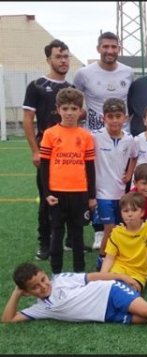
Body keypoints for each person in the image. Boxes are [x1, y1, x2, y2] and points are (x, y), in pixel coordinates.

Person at [2, 262, 147, 332]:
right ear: (28, 292)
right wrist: (16, 293)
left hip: (110, 292)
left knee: (146, 309)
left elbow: (93, 276)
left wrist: (122, 277)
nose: (43, 287)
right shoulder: (39, 308)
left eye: (43, 280)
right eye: (35, 287)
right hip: (106, 315)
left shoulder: (62, 279)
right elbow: (8, 320)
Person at [22, 39, 73, 261]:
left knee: (72, 197)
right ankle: (45, 243)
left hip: (70, 154)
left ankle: (71, 240)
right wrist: (35, 150)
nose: (63, 61)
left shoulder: (70, 89)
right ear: (48, 59)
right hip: (48, 153)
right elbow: (27, 120)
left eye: (66, 57)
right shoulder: (36, 86)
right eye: (58, 57)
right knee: (46, 198)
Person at [39, 88, 96, 274]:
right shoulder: (50, 134)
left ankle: (79, 273)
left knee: (77, 234)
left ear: (81, 110)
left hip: (79, 193)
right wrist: (47, 193)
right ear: (58, 109)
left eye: (74, 108)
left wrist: (91, 196)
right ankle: (56, 272)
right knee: (57, 232)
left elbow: (89, 167)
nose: (70, 112)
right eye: (65, 108)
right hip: (56, 193)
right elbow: (44, 167)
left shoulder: (86, 136)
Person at [92, 98, 138, 253]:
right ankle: (102, 258)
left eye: (118, 116)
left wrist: (129, 173)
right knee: (109, 228)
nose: (114, 120)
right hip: (102, 193)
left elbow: (134, 156)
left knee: (121, 228)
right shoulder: (95, 137)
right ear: (103, 118)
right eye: (110, 116)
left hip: (120, 193)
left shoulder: (129, 139)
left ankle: (118, 256)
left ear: (125, 118)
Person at [73, 32, 134, 132]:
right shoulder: (83, 73)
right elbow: (73, 103)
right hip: (94, 135)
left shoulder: (128, 72)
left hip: (123, 134)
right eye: (105, 46)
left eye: (114, 47)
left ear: (119, 49)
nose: (110, 51)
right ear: (98, 48)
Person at [100, 192, 147, 290]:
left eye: (134, 210)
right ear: (121, 213)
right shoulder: (116, 232)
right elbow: (109, 258)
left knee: (129, 291)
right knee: (108, 288)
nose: (130, 214)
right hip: (118, 269)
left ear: (142, 212)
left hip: (138, 274)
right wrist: (102, 277)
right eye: (126, 211)